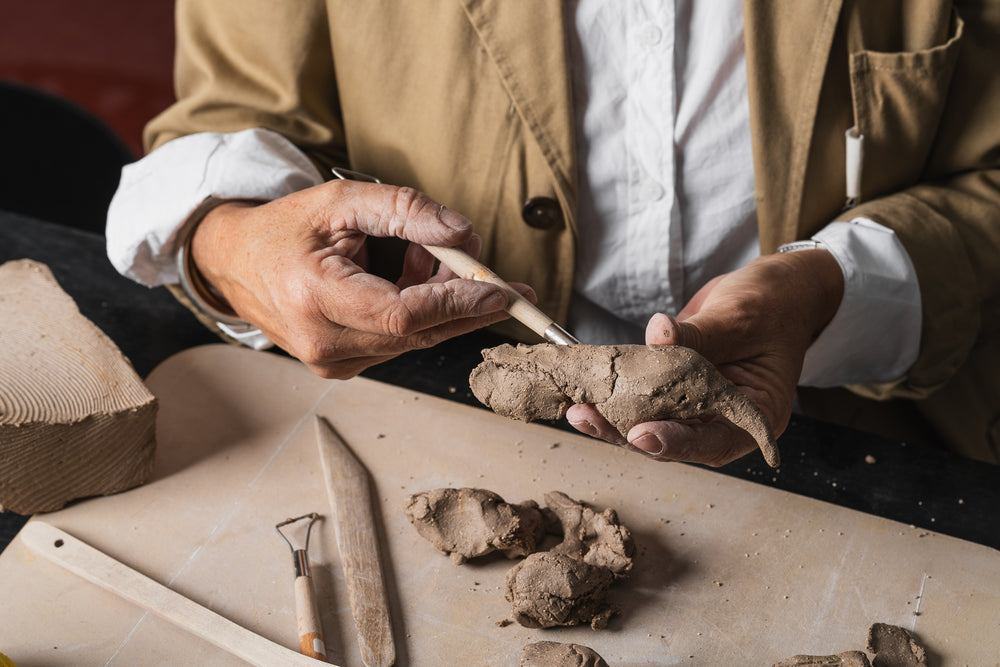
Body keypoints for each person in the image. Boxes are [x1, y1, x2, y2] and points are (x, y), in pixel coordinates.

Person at [106, 1, 1000, 465]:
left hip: (868, 428)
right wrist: (230, 241)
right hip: (421, 408)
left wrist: (831, 288)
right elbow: (230, 123)